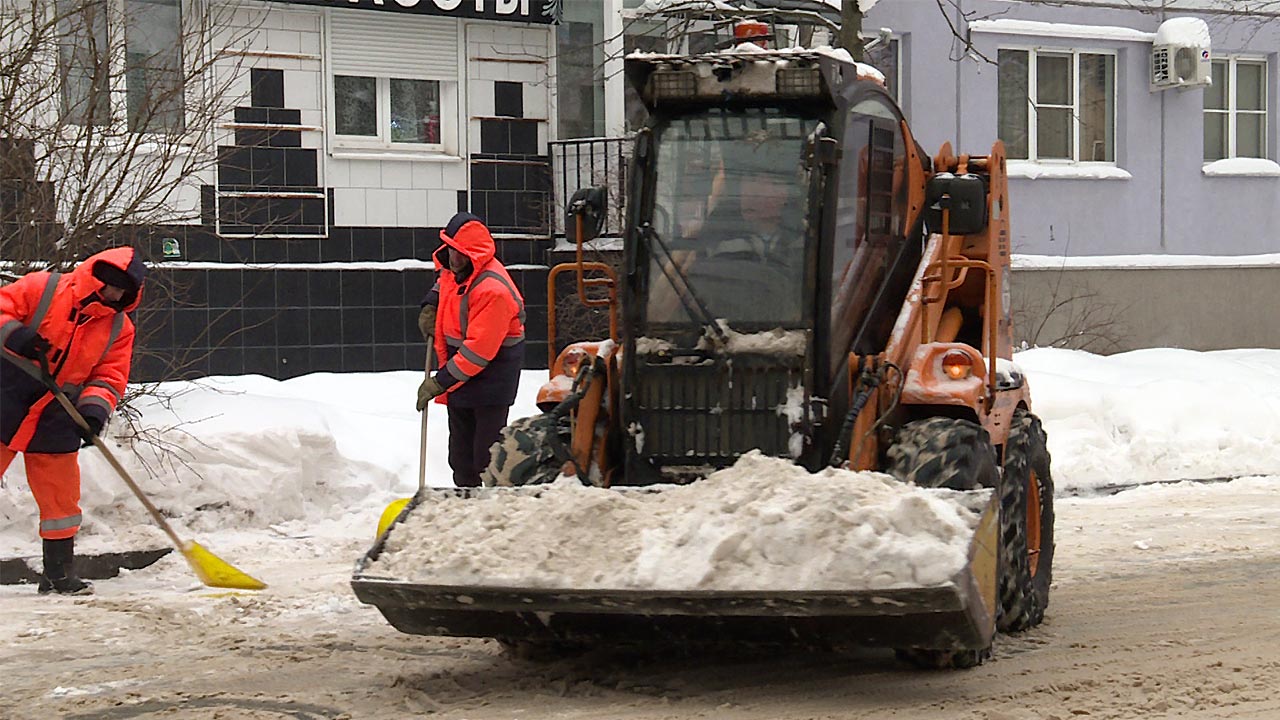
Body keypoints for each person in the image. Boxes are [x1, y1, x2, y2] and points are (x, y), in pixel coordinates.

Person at [1, 246, 146, 595]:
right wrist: (16, 336)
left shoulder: (118, 328)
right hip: (6, 394)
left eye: (121, 291)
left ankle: (57, 574)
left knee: (61, 500)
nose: (113, 295)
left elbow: (109, 376)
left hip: (57, 412)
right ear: (94, 274)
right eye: (109, 284)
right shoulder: (43, 288)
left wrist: (94, 410)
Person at [416, 213, 526, 488]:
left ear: (473, 255)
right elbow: (445, 282)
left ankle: (491, 508)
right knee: (461, 457)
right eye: (451, 249)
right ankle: (465, 501)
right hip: (460, 372)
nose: (453, 257)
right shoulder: (456, 269)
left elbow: (478, 353)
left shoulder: (493, 290)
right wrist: (430, 304)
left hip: (493, 374)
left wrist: (438, 383)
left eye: (460, 252)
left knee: (486, 456)